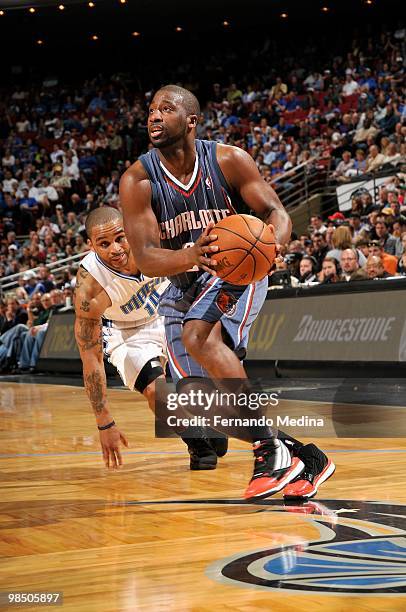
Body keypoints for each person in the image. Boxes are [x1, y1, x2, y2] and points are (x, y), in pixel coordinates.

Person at [120, 84, 334, 500]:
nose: (154, 116)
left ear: (191, 120)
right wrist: (191, 256)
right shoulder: (138, 179)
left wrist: (274, 243)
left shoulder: (228, 160)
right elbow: (145, 258)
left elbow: (276, 212)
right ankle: (305, 456)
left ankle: (268, 450)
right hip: (184, 281)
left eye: (165, 109)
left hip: (237, 271)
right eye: (150, 110)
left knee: (198, 334)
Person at [73, 207, 227, 470]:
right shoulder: (90, 286)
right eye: (104, 244)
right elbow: (91, 359)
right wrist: (104, 421)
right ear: (90, 246)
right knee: (156, 391)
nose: (116, 249)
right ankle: (196, 441)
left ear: (129, 230)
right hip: (126, 331)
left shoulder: (152, 238)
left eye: (120, 238)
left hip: (170, 310)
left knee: (210, 375)